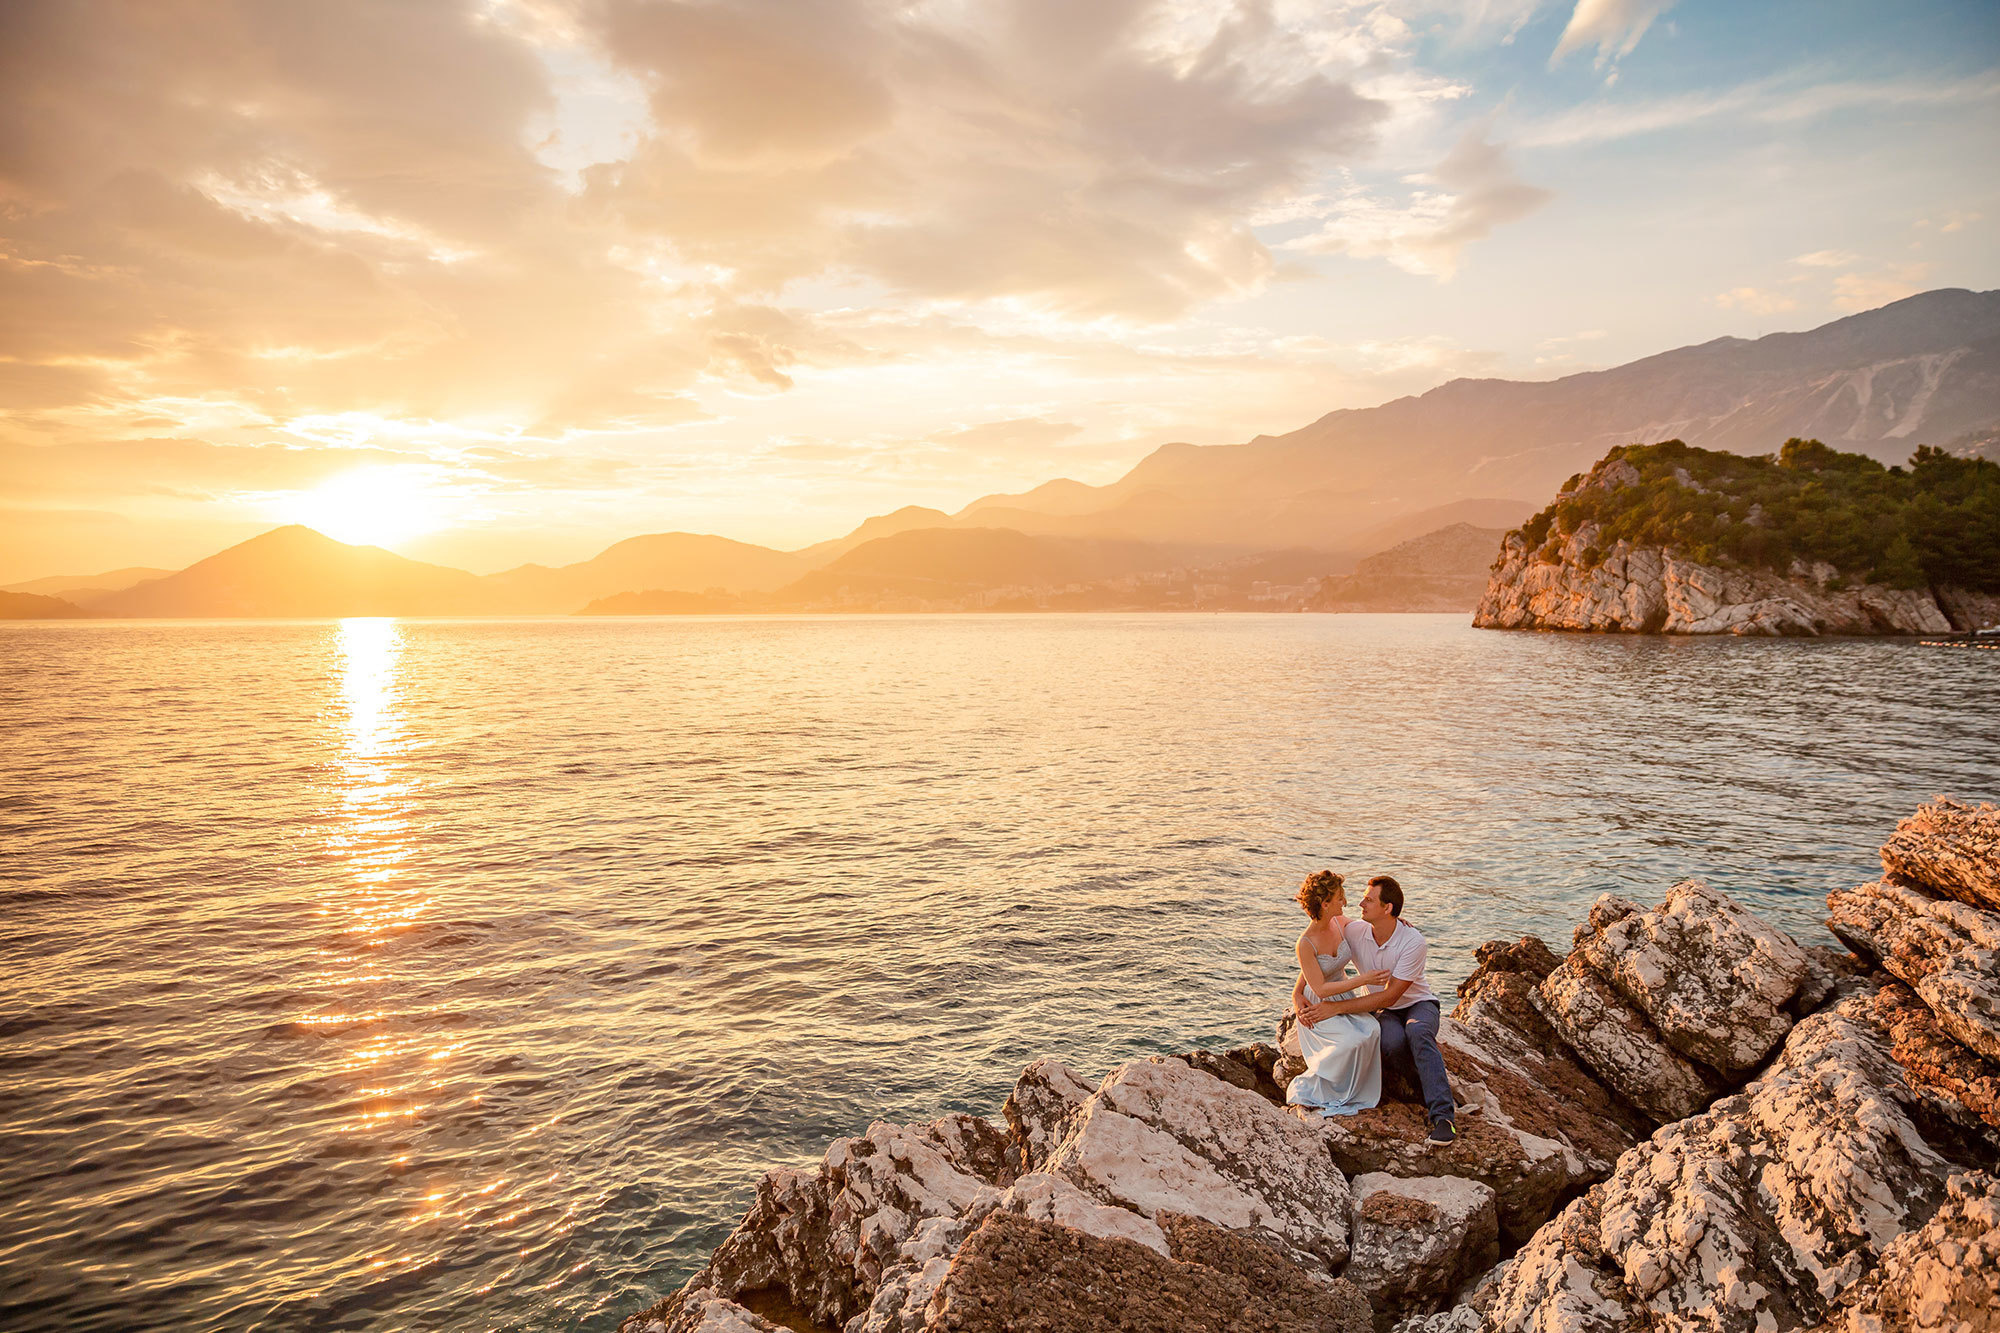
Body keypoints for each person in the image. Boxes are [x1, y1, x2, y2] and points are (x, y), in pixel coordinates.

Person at [1312, 874, 1458, 1144]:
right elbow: (1317, 941)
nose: (1360, 904)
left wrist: (1337, 1008)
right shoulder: (1355, 931)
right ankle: (1424, 1089)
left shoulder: (1413, 942)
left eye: (1368, 900)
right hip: (1385, 1012)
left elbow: (1390, 996)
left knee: (1418, 1033)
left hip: (1418, 1004)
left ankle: (1443, 1117)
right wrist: (1299, 991)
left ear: (1387, 908)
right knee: (1392, 1042)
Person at [1285, 871, 1387, 1117]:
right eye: (1340, 897)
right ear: (1325, 903)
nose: (1346, 902)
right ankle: (1324, 1091)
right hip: (1318, 1004)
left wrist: (1397, 922)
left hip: (1342, 998)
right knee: (1351, 1041)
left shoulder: (1339, 923)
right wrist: (1363, 979)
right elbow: (1319, 986)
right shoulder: (1305, 943)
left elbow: (1371, 927)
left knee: (1372, 1030)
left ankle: (1356, 1092)